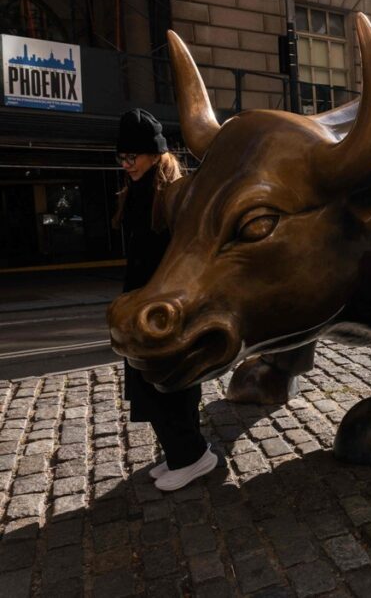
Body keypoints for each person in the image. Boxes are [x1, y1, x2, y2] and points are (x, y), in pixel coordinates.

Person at [112, 108, 218, 491]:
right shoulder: (137, 191)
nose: (126, 164)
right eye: (121, 157)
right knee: (152, 385)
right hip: (143, 302)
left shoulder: (174, 194)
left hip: (168, 307)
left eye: (132, 156)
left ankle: (191, 456)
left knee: (167, 385)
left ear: (155, 153)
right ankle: (182, 451)